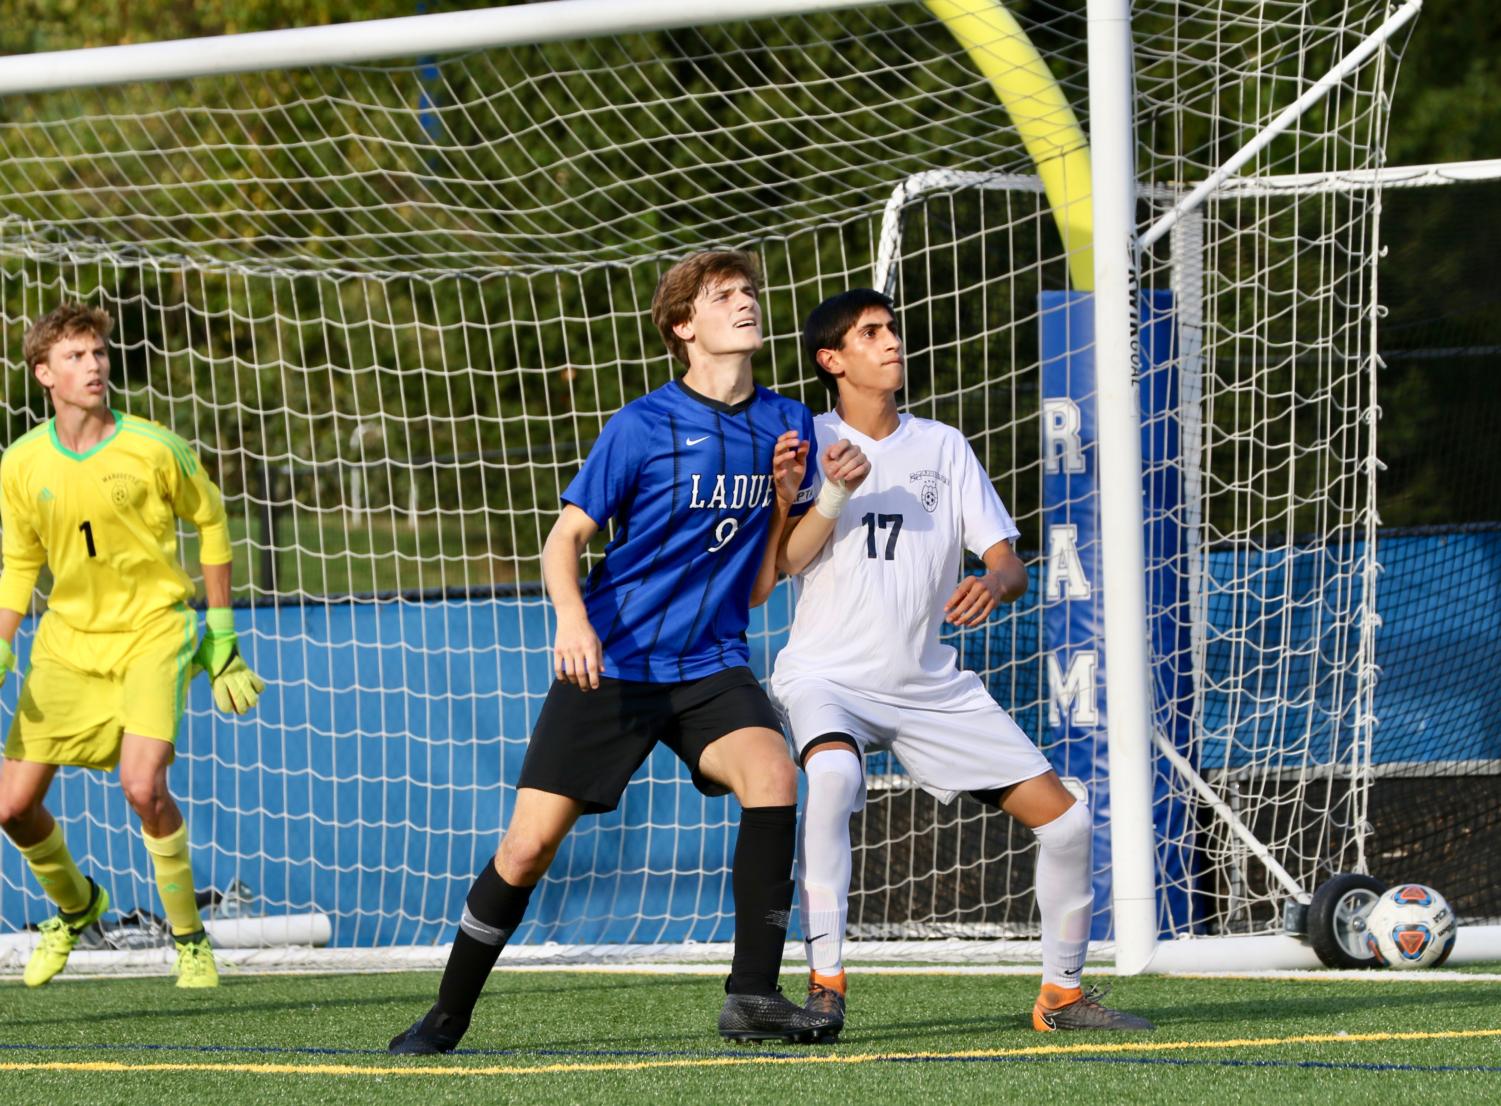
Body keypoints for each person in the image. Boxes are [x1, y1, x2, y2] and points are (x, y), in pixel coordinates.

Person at [389, 251, 869, 1054]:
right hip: (614, 662)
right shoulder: (641, 425)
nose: (746, 304)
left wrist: (801, 499)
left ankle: (751, 995)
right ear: (684, 326)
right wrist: (573, 624)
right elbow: (562, 540)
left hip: (711, 663)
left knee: (776, 773)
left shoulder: (785, 422)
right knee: (527, 846)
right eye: (724, 297)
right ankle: (447, 1013)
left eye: (749, 292)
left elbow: (759, 586)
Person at [769, 288, 1154, 1038]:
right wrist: (816, 494)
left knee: (1069, 825)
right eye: (871, 334)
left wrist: (992, 583)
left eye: (892, 331)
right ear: (830, 359)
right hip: (825, 676)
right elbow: (784, 563)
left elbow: (1009, 562)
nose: (890, 343)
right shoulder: (801, 440)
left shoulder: (942, 445)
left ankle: (1062, 997)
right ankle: (824, 986)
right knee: (835, 776)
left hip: (926, 684)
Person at [0, 302, 265, 989]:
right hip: (66, 645)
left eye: (97, 353)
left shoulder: (154, 446)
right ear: (43, 375)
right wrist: (3, 642)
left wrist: (221, 632)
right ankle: (77, 905)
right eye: (74, 357)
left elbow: (210, 521)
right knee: (10, 807)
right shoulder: (21, 462)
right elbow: (20, 562)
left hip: (154, 630)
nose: (92, 366)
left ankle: (189, 940)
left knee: (142, 785)